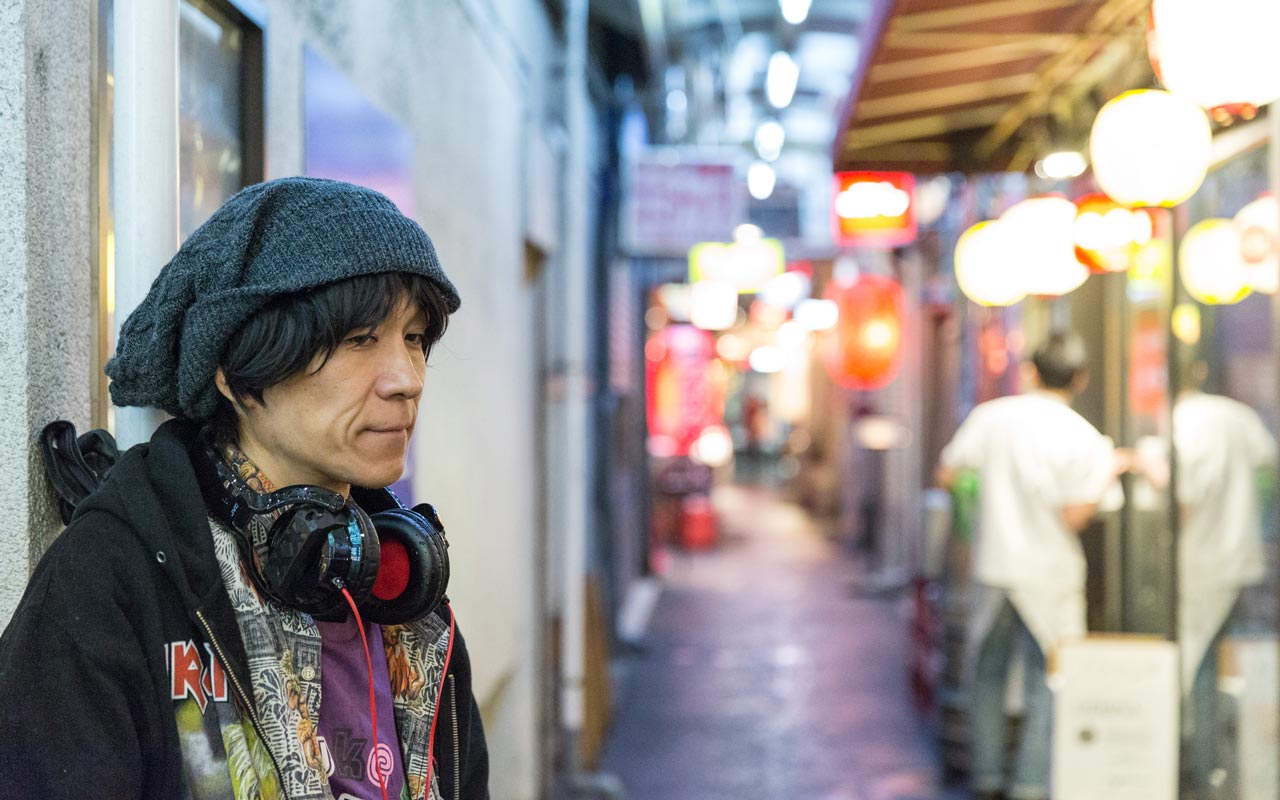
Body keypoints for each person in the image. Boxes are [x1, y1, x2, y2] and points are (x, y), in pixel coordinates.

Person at [0, 177, 490, 799]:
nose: (406, 379)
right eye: (360, 339)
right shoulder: (112, 580)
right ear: (235, 372)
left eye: (414, 338)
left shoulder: (407, 599)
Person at [935, 331, 1126, 800]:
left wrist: (976, 507)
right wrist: (1113, 468)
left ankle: (986, 777)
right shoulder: (1084, 436)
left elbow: (949, 473)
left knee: (987, 675)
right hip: (1049, 576)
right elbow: (1075, 515)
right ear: (1079, 379)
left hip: (995, 567)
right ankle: (1030, 784)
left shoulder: (992, 418)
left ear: (1031, 371)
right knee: (1047, 684)